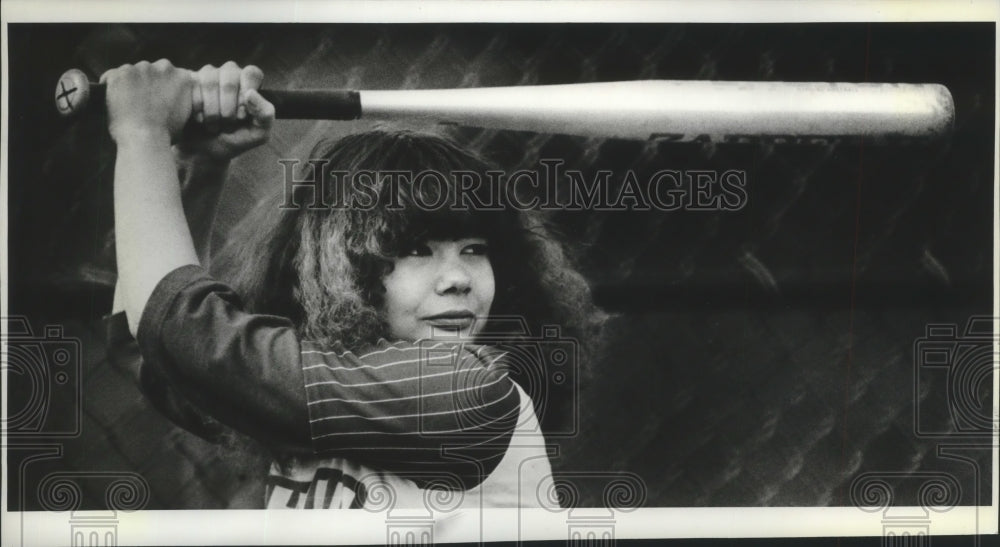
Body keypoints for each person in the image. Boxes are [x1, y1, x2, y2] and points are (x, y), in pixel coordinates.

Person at [104, 60, 605, 510]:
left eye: (475, 249)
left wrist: (142, 133)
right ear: (339, 265)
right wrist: (204, 166)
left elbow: (177, 332)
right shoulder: (335, 389)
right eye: (415, 250)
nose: (457, 279)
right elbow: (151, 346)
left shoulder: (462, 392)